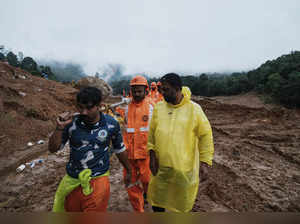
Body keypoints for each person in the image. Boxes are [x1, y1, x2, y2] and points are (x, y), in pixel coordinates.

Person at [49, 87, 132, 212]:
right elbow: (53, 149)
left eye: (89, 108)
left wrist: (129, 170)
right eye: (80, 107)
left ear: (100, 106)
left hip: (98, 179)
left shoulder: (111, 124)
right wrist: (59, 128)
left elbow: (119, 149)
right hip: (73, 179)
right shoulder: (71, 124)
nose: (84, 112)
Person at [147, 73, 214, 212]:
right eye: (161, 90)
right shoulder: (159, 108)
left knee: (181, 205)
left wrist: (205, 162)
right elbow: (152, 134)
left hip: (183, 170)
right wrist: (152, 156)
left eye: (166, 90)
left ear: (178, 88)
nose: (163, 93)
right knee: (158, 201)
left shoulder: (194, 109)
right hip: (161, 168)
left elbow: (206, 135)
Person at [122, 75, 154, 212]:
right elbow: (125, 126)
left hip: (145, 154)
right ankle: (138, 211)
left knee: (147, 181)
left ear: (146, 91)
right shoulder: (127, 108)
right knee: (131, 185)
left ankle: (148, 195)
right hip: (129, 156)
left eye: (139, 91)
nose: (136, 94)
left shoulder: (152, 107)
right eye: (134, 91)